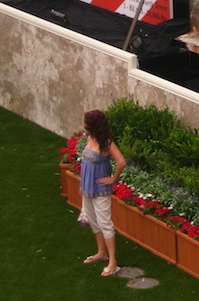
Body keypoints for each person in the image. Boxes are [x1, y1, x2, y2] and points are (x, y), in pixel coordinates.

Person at [80, 109, 126, 277]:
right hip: (87, 188)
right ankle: (101, 253)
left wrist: (113, 179)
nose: (84, 125)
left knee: (105, 222)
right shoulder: (89, 137)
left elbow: (121, 161)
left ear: (94, 125)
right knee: (93, 220)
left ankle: (112, 262)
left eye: (87, 122)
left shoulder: (106, 143)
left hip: (100, 190)